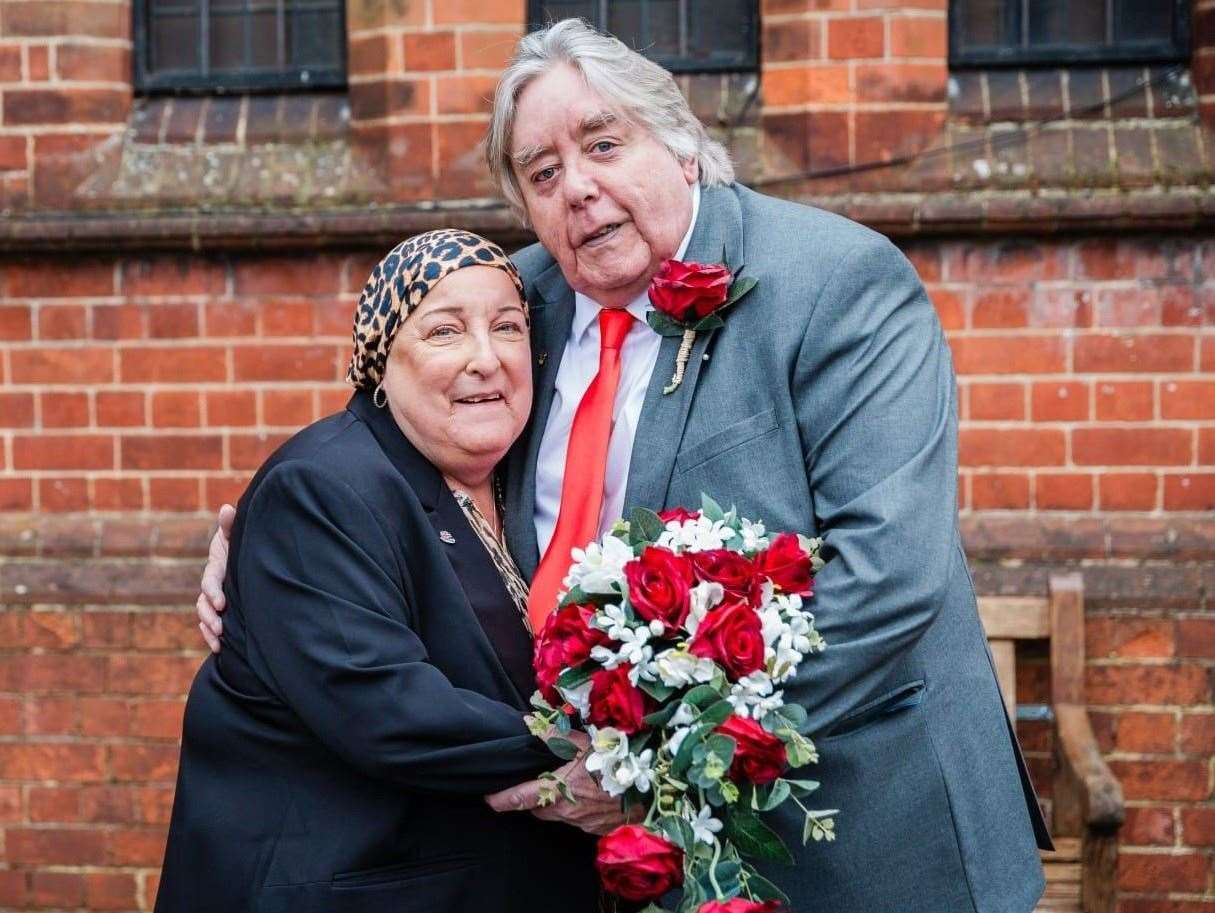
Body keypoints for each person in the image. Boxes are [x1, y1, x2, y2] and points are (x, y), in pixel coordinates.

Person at [198, 19, 1053, 913]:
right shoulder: (519, 298)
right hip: (616, 866)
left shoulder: (838, 284)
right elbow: (390, 417)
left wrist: (650, 761)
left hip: (859, 833)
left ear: (682, 147)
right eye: (542, 172)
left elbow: (887, 576)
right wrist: (260, 543)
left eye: (603, 143)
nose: (578, 188)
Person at [157, 230, 604, 913]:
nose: (485, 359)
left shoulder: (528, 479)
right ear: (380, 360)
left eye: (506, 328)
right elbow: (385, 705)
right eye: (445, 331)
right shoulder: (321, 487)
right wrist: (603, 762)